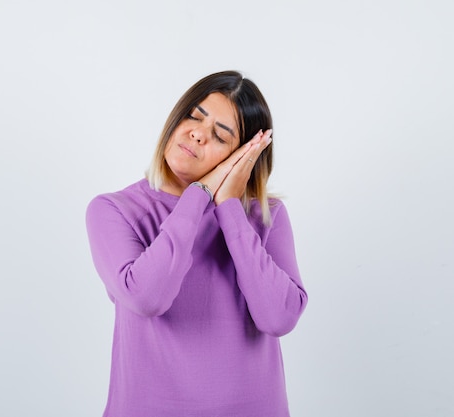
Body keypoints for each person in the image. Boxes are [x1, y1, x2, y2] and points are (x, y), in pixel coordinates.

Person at [85, 70, 308, 417]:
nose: (198, 134)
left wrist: (230, 210)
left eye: (220, 136)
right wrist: (199, 194)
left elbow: (279, 318)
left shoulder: (266, 216)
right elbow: (147, 297)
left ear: (242, 157)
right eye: (194, 116)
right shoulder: (114, 210)